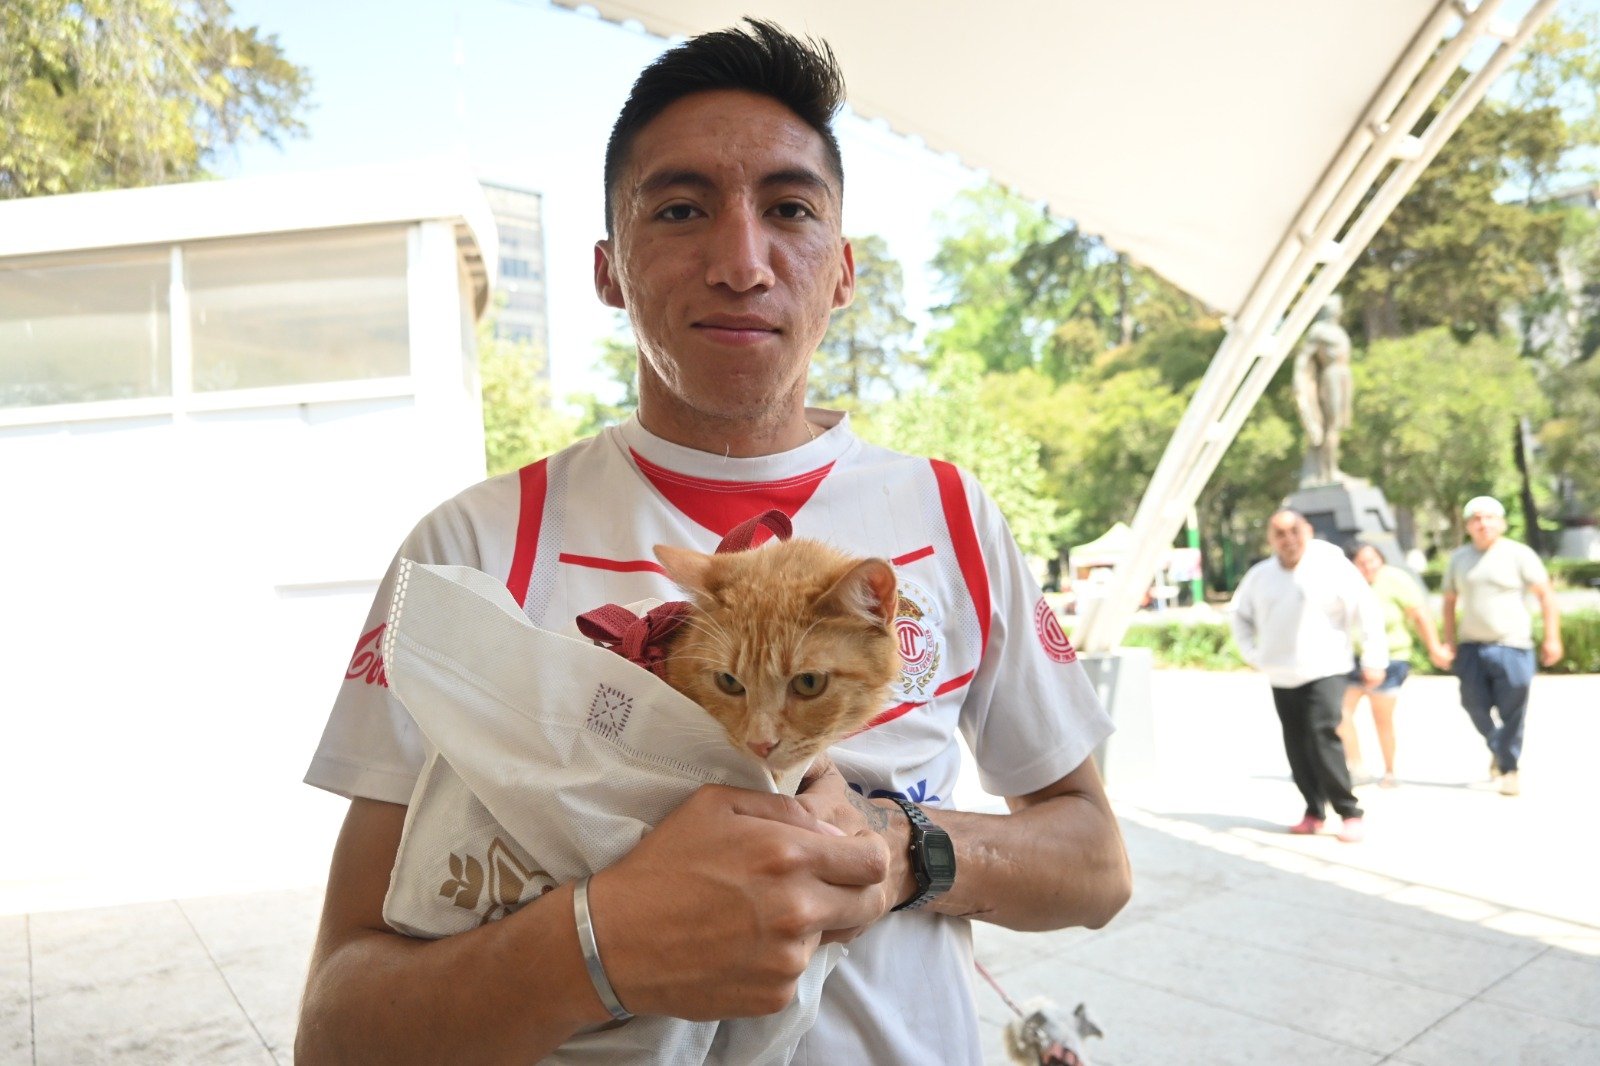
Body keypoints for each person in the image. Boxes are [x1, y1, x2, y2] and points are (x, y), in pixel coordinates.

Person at [294, 20, 1131, 1065]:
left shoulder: (951, 514)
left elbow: (1096, 861)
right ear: (607, 269)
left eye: (788, 210)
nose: (741, 262)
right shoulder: (468, 547)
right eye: (682, 210)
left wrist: (905, 850)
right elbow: (337, 1029)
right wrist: (600, 942)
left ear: (842, 271)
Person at [1230, 510, 1388, 843]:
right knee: (1297, 743)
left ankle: (1349, 810)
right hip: (1281, 675)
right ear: (1270, 539)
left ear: (1308, 531)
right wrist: (1254, 655)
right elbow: (1239, 617)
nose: (1288, 540)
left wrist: (1374, 658)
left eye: (1294, 531)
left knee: (1323, 733)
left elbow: (1367, 611)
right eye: (1279, 533)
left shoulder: (1332, 566)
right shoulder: (1260, 576)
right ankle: (1314, 810)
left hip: (1326, 668)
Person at [1441, 495, 1563, 798]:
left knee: (1514, 707)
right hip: (1472, 646)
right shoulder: (1458, 558)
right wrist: (1449, 641)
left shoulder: (1519, 554)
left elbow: (1546, 595)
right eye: (1476, 519)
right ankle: (1498, 745)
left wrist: (1552, 637)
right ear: (1468, 525)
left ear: (1502, 522)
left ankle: (1509, 768)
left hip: (1513, 644)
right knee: (1473, 704)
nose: (1483, 524)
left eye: (1489, 517)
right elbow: (1449, 601)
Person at [1336, 544, 1453, 788]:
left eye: (1373, 560)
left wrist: (1434, 648)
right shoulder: (1348, 583)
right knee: (1339, 712)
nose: (1368, 567)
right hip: (1355, 658)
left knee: (1382, 717)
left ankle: (1390, 770)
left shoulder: (1395, 580)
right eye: (1361, 562)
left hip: (1392, 658)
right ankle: (1356, 766)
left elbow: (1419, 615)